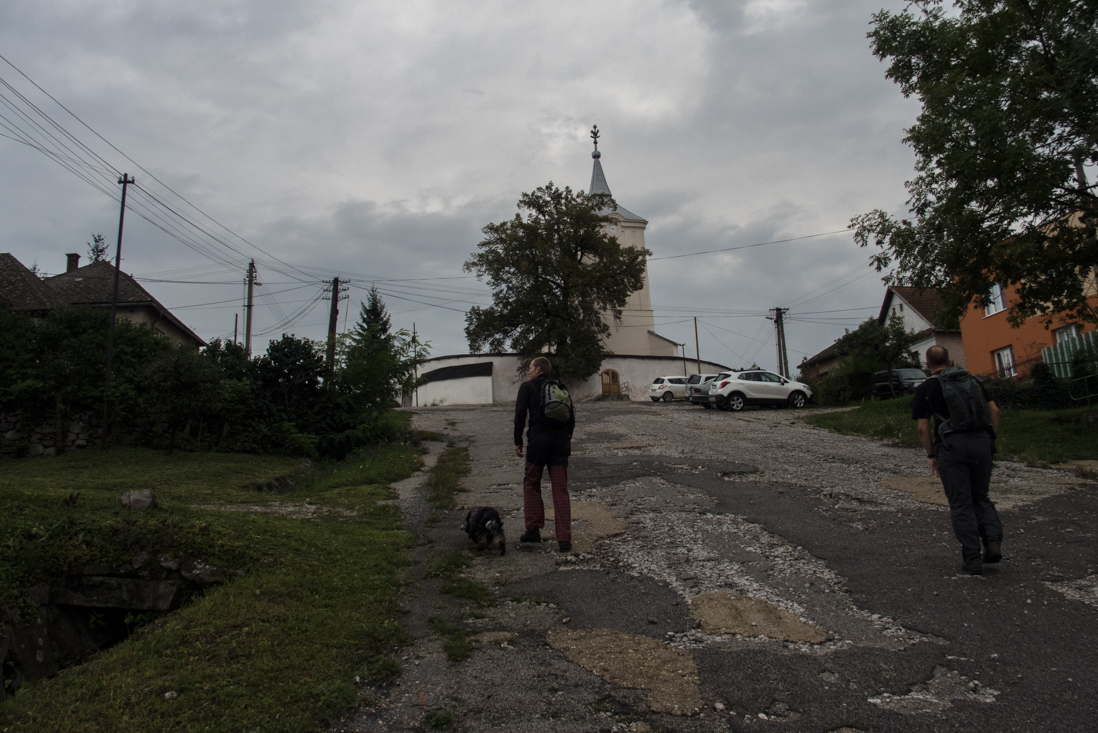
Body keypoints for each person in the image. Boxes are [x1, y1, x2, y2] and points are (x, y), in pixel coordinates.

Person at [912, 345, 1003, 575]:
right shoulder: (971, 380)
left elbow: (923, 427)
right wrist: (990, 437)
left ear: (927, 364)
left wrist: (931, 454)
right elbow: (995, 410)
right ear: (949, 360)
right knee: (981, 496)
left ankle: (972, 558)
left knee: (961, 502)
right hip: (982, 442)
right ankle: (992, 542)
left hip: (952, 447)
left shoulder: (926, 387)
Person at [514, 356, 574, 552]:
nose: (529, 371)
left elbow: (520, 414)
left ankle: (533, 530)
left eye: (530, 368)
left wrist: (518, 440)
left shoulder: (528, 387)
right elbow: (571, 418)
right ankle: (564, 540)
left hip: (538, 442)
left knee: (531, 483)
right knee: (560, 489)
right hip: (560, 443)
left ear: (538, 369)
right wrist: (566, 439)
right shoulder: (560, 388)